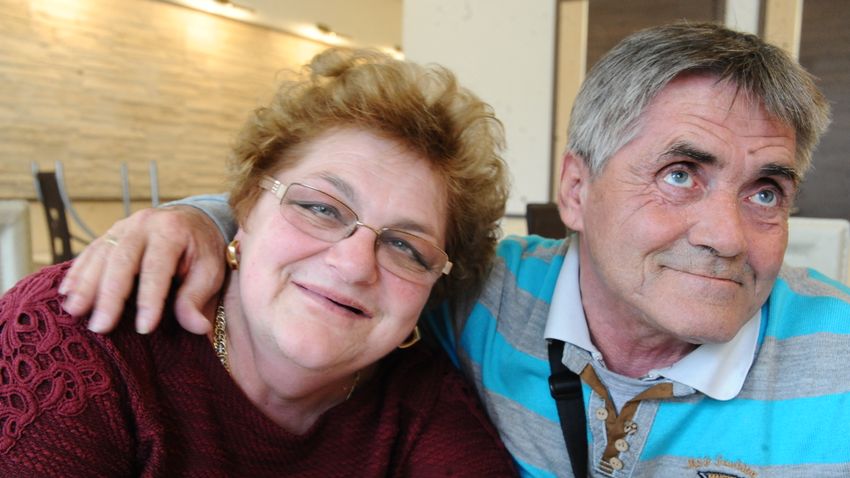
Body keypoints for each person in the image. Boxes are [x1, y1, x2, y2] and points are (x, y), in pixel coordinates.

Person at [56, 22, 850, 477]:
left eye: (766, 192)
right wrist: (202, 220)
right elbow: (344, 247)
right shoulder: (478, 296)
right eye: (680, 174)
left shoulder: (840, 363)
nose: (726, 236)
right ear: (576, 190)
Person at [0, 48, 519, 476]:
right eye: (321, 209)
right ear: (244, 209)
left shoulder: (422, 407)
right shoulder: (87, 333)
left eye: (406, 247)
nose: (354, 264)